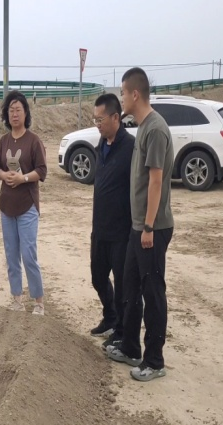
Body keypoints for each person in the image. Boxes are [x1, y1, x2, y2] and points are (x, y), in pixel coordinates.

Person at [106, 68, 174, 382]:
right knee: (130, 288)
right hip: (139, 227)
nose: (121, 98)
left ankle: (154, 361)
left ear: (135, 94)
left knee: (153, 292)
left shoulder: (156, 129)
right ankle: (131, 347)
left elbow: (156, 182)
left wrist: (148, 227)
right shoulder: (143, 126)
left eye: (123, 93)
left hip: (153, 228)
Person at [0, 91, 47, 315]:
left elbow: (42, 171)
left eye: (18, 110)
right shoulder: (3, 140)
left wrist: (22, 178)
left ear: (25, 113)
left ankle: (38, 301)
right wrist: (3, 175)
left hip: (27, 206)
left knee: (28, 254)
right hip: (6, 206)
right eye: (11, 110)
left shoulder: (34, 141)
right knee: (11, 255)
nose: (14, 114)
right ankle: (16, 299)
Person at [88, 94, 134, 349]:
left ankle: (122, 330)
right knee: (97, 277)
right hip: (100, 229)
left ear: (116, 117)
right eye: (95, 119)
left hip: (121, 232)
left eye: (101, 119)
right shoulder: (101, 145)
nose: (97, 124)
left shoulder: (130, 148)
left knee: (123, 284)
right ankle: (110, 315)